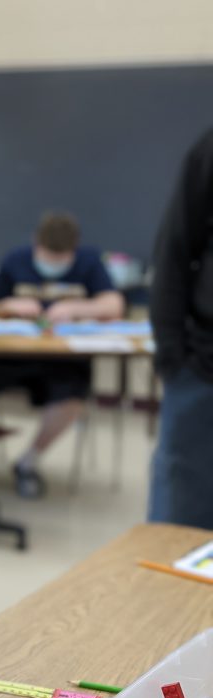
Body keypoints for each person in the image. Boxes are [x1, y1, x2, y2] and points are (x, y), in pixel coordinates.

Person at [0, 211, 124, 498]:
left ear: (73, 250)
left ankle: (28, 462)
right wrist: (10, 305)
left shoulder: (88, 263)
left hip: (61, 361)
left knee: (72, 400)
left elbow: (113, 304)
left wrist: (77, 309)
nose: (52, 262)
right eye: (48, 254)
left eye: (60, 256)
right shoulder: (16, 260)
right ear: (36, 242)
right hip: (8, 355)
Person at [148, 129, 213, 528]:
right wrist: (174, 357)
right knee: (180, 527)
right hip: (203, 372)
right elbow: (173, 251)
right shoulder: (209, 151)